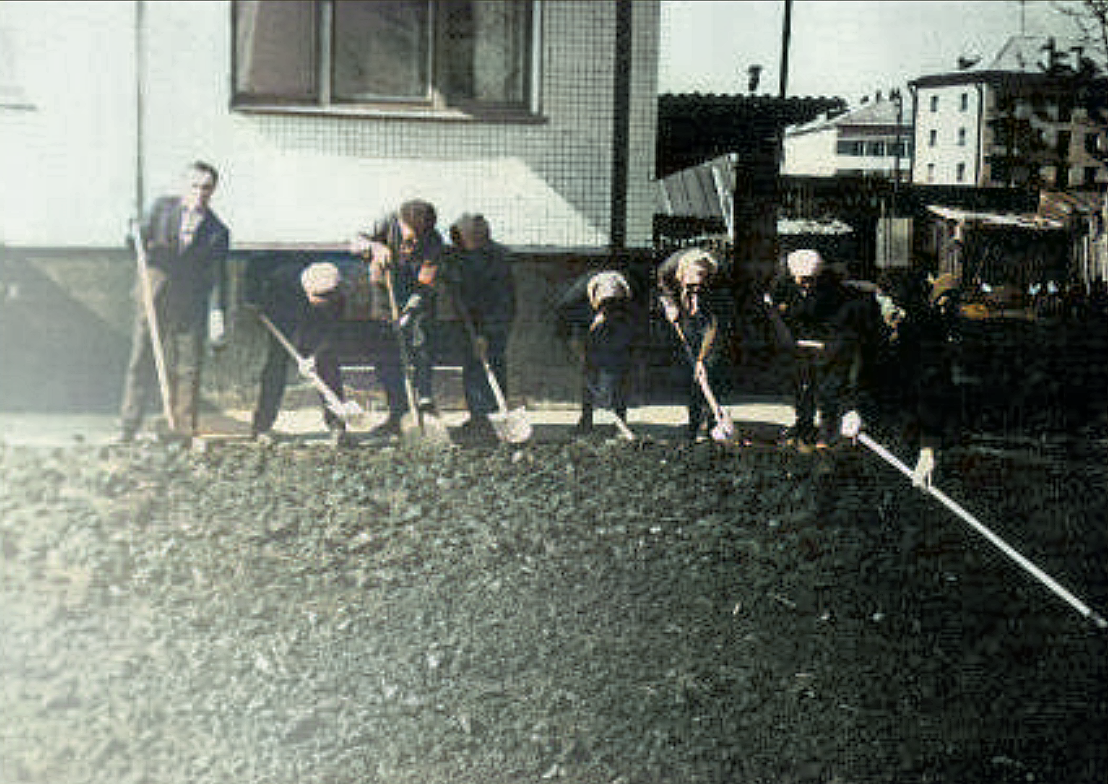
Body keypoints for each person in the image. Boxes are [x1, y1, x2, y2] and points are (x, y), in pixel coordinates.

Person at [119, 160, 229, 442]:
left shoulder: (217, 231)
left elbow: (217, 276)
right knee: (141, 358)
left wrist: (217, 315)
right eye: (195, 186)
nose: (200, 193)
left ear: (213, 190)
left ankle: (183, 429)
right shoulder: (161, 209)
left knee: (189, 365)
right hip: (153, 294)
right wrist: (132, 231)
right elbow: (136, 244)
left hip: (190, 303)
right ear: (184, 186)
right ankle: (129, 425)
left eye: (206, 188)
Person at [769, 248, 882, 451]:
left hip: (833, 346)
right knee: (803, 391)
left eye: (811, 280)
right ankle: (804, 428)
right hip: (803, 348)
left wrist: (825, 346)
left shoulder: (836, 294)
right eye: (803, 279)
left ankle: (827, 435)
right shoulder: (786, 289)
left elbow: (842, 328)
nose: (807, 284)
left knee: (829, 392)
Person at [350, 199, 445, 439]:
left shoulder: (434, 242)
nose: (413, 244)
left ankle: (424, 408)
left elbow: (426, 282)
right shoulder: (385, 222)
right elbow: (354, 242)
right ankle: (397, 413)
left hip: (417, 297)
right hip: (384, 291)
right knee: (386, 353)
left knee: (422, 348)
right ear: (401, 222)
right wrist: (375, 247)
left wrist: (409, 312)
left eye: (419, 239)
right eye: (410, 237)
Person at [246, 259, 352, 447]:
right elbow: (255, 282)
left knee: (327, 364)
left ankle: (337, 425)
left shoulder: (337, 298)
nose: (324, 301)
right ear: (308, 290)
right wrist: (253, 302)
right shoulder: (282, 284)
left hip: (317, 322)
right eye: (319, 296)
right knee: (276, 365)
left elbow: (333, 332)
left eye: (328, 297)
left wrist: (315, 356)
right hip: (284, 313)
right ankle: (261, 427)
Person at [443, 213, 517, 441]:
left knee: (492, 365)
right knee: (472, 367)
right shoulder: (460, 256)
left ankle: (493, 418)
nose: (459, 242)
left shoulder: (496, 260)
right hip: (470, 323)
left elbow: (499, 301)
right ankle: (478, 418)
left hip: (493, 322)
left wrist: (484, 333)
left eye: (462, 237)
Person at [656, 246, 736, 442]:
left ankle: (711, 420)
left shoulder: (719, 280)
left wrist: (702, 359)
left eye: (700, 285)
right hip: (679, 303)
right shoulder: (668, 270)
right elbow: (663, 289)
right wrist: (670, 305)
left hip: (711, 313)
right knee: (690, 371)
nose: (696, 289)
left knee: (710, 367)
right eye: (691, 285)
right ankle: (694, 422)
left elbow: (714, 326)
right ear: (682, 277)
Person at [555, 269, 639, 436]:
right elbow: (562, 319)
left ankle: (620, 419)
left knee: (620, 368)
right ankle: (586, 421)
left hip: (620, 322)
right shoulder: (574, 299)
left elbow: (634, 327)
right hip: (583, 321)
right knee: (589, 370)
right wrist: (572, 343)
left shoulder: (629, 295)